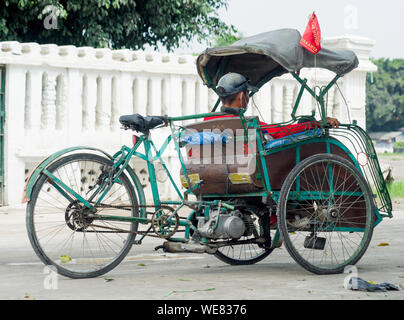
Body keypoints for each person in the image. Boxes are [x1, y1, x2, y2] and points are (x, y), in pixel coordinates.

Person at [204, 72, 340, 139]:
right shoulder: (246, 123)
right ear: (241, 96)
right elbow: (280, 131)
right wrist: (315, 124)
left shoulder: (207, 121)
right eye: (247, 94)